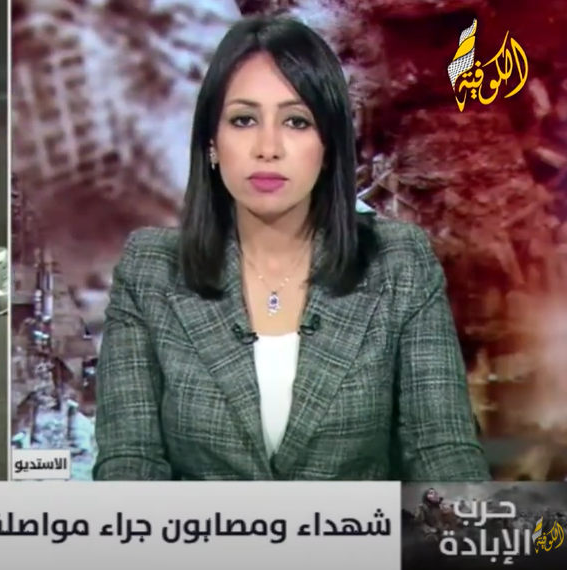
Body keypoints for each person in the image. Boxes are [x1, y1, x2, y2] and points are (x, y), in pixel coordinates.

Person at [92, 16, 488, 481]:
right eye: (244, 120)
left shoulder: (398, 263)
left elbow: (442, 452)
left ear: (328, 146)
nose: (268, 148)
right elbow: (130, 462)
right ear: (212, 143)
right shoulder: (150, 270)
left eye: (296, 121)